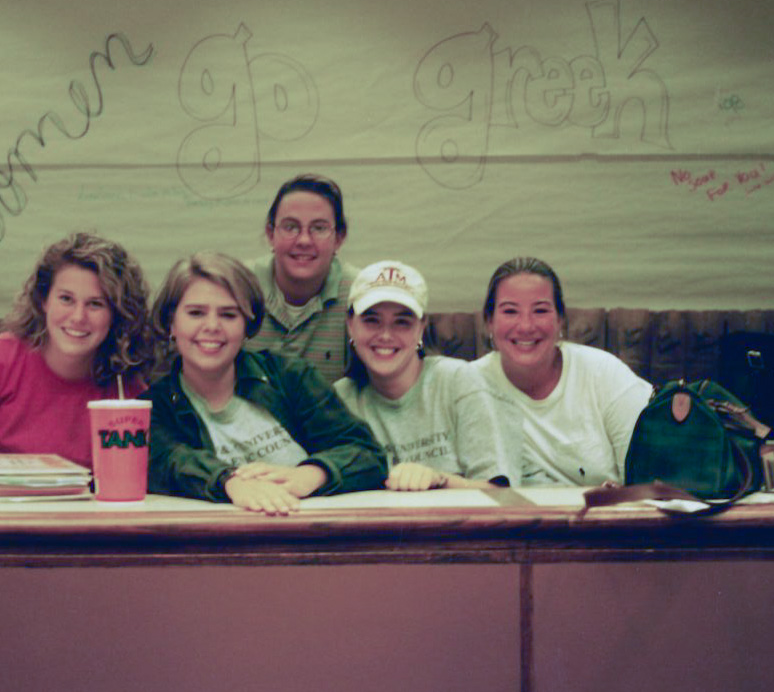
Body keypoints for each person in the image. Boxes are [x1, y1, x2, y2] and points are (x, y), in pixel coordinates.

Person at [143, 252, 386, 515]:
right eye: (196, 313)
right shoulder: (151, 407)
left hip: (313, 530)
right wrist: (229, 482)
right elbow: (167, 463)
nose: (212, 326)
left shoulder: (291, 375)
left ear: (247, 326)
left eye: (228, 315)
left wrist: (310, 475)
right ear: (171, 323)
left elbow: (367, 454)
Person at [0, 232, 155, 466]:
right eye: (66, 299)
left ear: (117, 314)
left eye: (95, 304)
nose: (78, 317)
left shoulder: (127, 396)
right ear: (43, 300)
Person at [334, 260, 520, 490]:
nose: (385, 335)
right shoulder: (338, 401)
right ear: (350, 325)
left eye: (402, 322)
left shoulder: (460, 381)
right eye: (372, 320)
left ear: (421, 328)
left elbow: (502, 494)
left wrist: (439, 479)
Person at [472, 257, 652, 486]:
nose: (526, 326)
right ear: (489, 322)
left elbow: (651, 477)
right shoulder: (467, 386)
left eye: (540, 310)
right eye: (510, 311)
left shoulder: (604, 374)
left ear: (560, 320)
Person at [246, 174, 358, 384]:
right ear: (270, 234)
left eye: (319, 228)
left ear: (339, 238)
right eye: (290, 227)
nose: (304, 240)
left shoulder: (359, 294)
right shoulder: (239, 288)